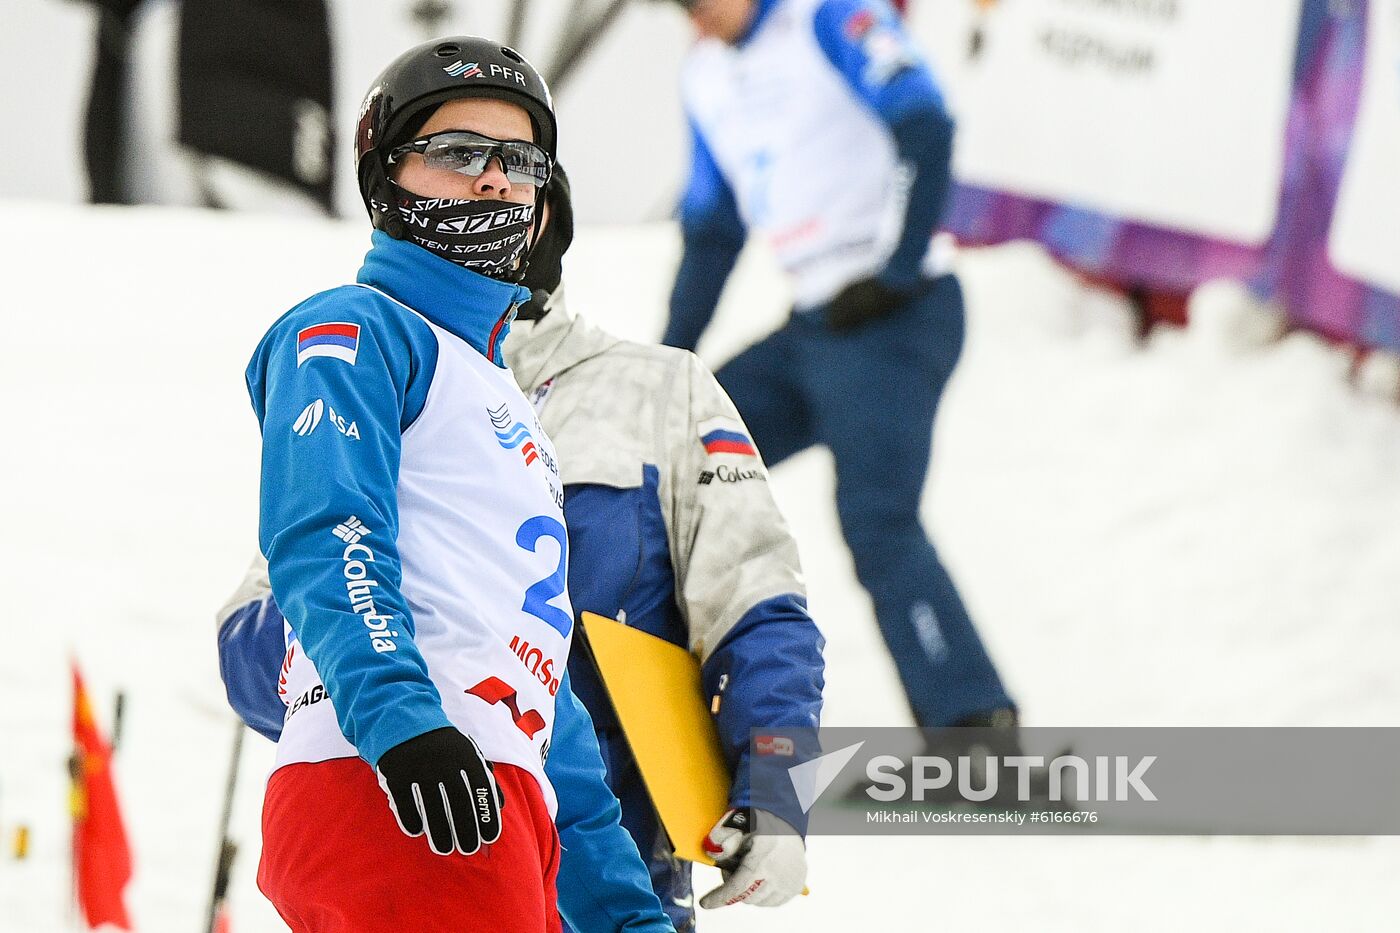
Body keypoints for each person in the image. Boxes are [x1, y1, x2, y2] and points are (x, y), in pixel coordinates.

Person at [221, 163, 825, 932]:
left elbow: (760, 605)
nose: (494, 211)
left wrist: (778, 788)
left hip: (617, 868)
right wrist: (411, 689)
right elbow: (269, 612)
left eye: (518, 197)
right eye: (464, 182)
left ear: (552, 222)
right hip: (423, 837)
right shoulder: (381, 361)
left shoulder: (660, 389)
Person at [238, 35, 670, 933]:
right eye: (458, 152)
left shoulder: (504, 405)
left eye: (520, 161)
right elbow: (326, 528)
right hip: (398, 784)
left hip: (501, 803)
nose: (494, 180)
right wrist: (401, 723)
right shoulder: (356, 327)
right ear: (385, 173)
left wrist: (627, 916)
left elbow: (539, 694)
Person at [663, 0, 1017, 735]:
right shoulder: (705, 74)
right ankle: (659, 687)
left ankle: (977, 728)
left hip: (897, 315)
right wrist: (667, 363)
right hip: (818, 325)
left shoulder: (827, 17)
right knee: (672, 448)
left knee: (877, 520)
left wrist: (897, 266)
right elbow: (712, 231)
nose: (693, 20)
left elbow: (925, 120)